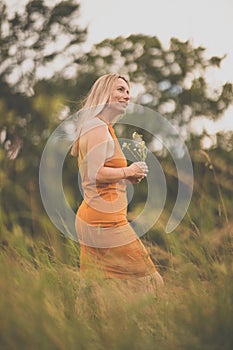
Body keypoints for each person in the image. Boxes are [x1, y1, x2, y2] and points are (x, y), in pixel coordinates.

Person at [71, 73, 163, 292]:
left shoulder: (103, 127)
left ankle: (82, 325)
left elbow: (101, 175)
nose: (126, 96)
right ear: (104, 93)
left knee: (94, 288)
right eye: (120, 90)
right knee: (153, 283)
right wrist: (128, 170)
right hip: (105, 221)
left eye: (128, 92)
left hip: (98, 217)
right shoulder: (97, 127)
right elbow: (94, 174)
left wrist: (128, 176)